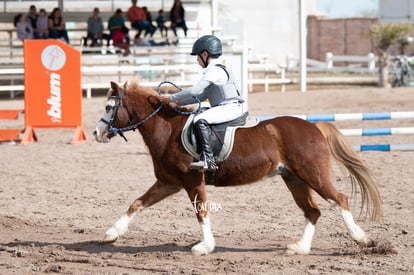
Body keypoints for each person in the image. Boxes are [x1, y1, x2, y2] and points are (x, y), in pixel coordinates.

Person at [159, 35, 244, 172]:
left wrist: (171, 98)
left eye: (198, 57)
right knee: (199, 114)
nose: (197, 61)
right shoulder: (215, 70)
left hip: (230, 108)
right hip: (226, 107)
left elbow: (195, 90)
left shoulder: (215, 70)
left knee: (200, 119)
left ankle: (208, 159)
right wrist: (177, 104)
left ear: (205, 54)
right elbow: (200, 96)